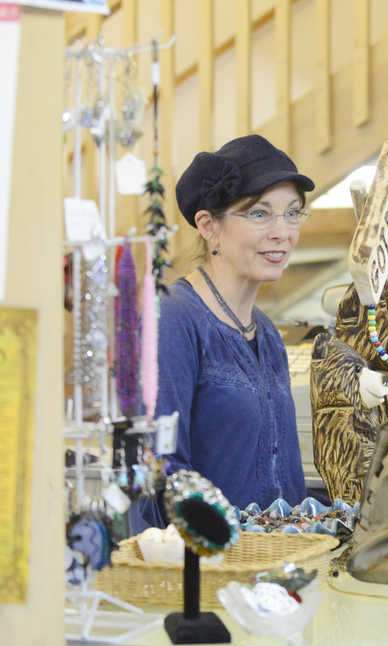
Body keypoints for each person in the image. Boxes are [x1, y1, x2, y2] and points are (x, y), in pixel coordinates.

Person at [141, 134, 313, 527]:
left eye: (292, 213)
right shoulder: (173, 318)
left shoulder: (266, 333)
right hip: (206, 571)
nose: (282, 232)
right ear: (208, 226)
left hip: (275, 568)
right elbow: (162, 470)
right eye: (259, 214)